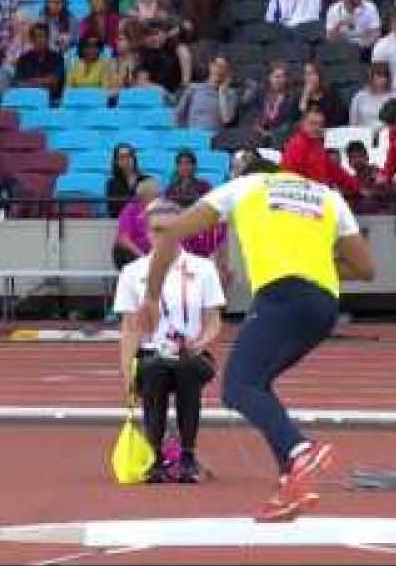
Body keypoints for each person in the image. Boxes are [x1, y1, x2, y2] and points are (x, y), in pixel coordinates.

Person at [137, 154, 375, 521]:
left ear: (246, 173)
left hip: (280, 296)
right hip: (324, 306)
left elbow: (171, 233)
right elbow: (365, 269)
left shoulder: (244, 186)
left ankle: (300, 451)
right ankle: (290, 485)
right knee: (257, 385)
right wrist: (313, 262)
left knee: (237, 388)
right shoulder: (327, 196)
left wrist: (152, 295)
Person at [115, 197, 225, 484]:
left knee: (187, 369)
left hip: (192, 354)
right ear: (147, 232)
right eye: (155, 230)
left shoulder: (203, 269)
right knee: (153, 371)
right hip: (152, 354)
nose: (161, 236)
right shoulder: (133, 273)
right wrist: (127, 371)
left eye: (168, 229)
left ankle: (187, 455)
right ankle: (156, 457)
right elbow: (129, 328)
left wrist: (199, 341)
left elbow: (213, 320)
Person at [280, 106, 360, 195]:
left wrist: (357, 185)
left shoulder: (317, 145)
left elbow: (334, 171)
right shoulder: (295, 146)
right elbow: (289, 177)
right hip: (304, 196)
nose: (317, 128)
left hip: (321, 194)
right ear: (302, 123)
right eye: (313, 124)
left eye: (320, 125)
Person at [113, 177, 161, 268]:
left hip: (152, 252)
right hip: (131, 251)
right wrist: (142, 256)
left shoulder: (160, 210)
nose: (158, 198)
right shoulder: (131, 210)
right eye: (156, 195)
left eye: (158, 195)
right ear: (144, 196)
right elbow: (124, 239)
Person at [106, 144, 146, 219]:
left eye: (129, 156)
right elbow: (113, 212)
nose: (126, 160)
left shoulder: (146, 180)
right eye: (122, 157)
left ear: (134, 158)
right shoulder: (111, 184)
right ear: (116, 162)